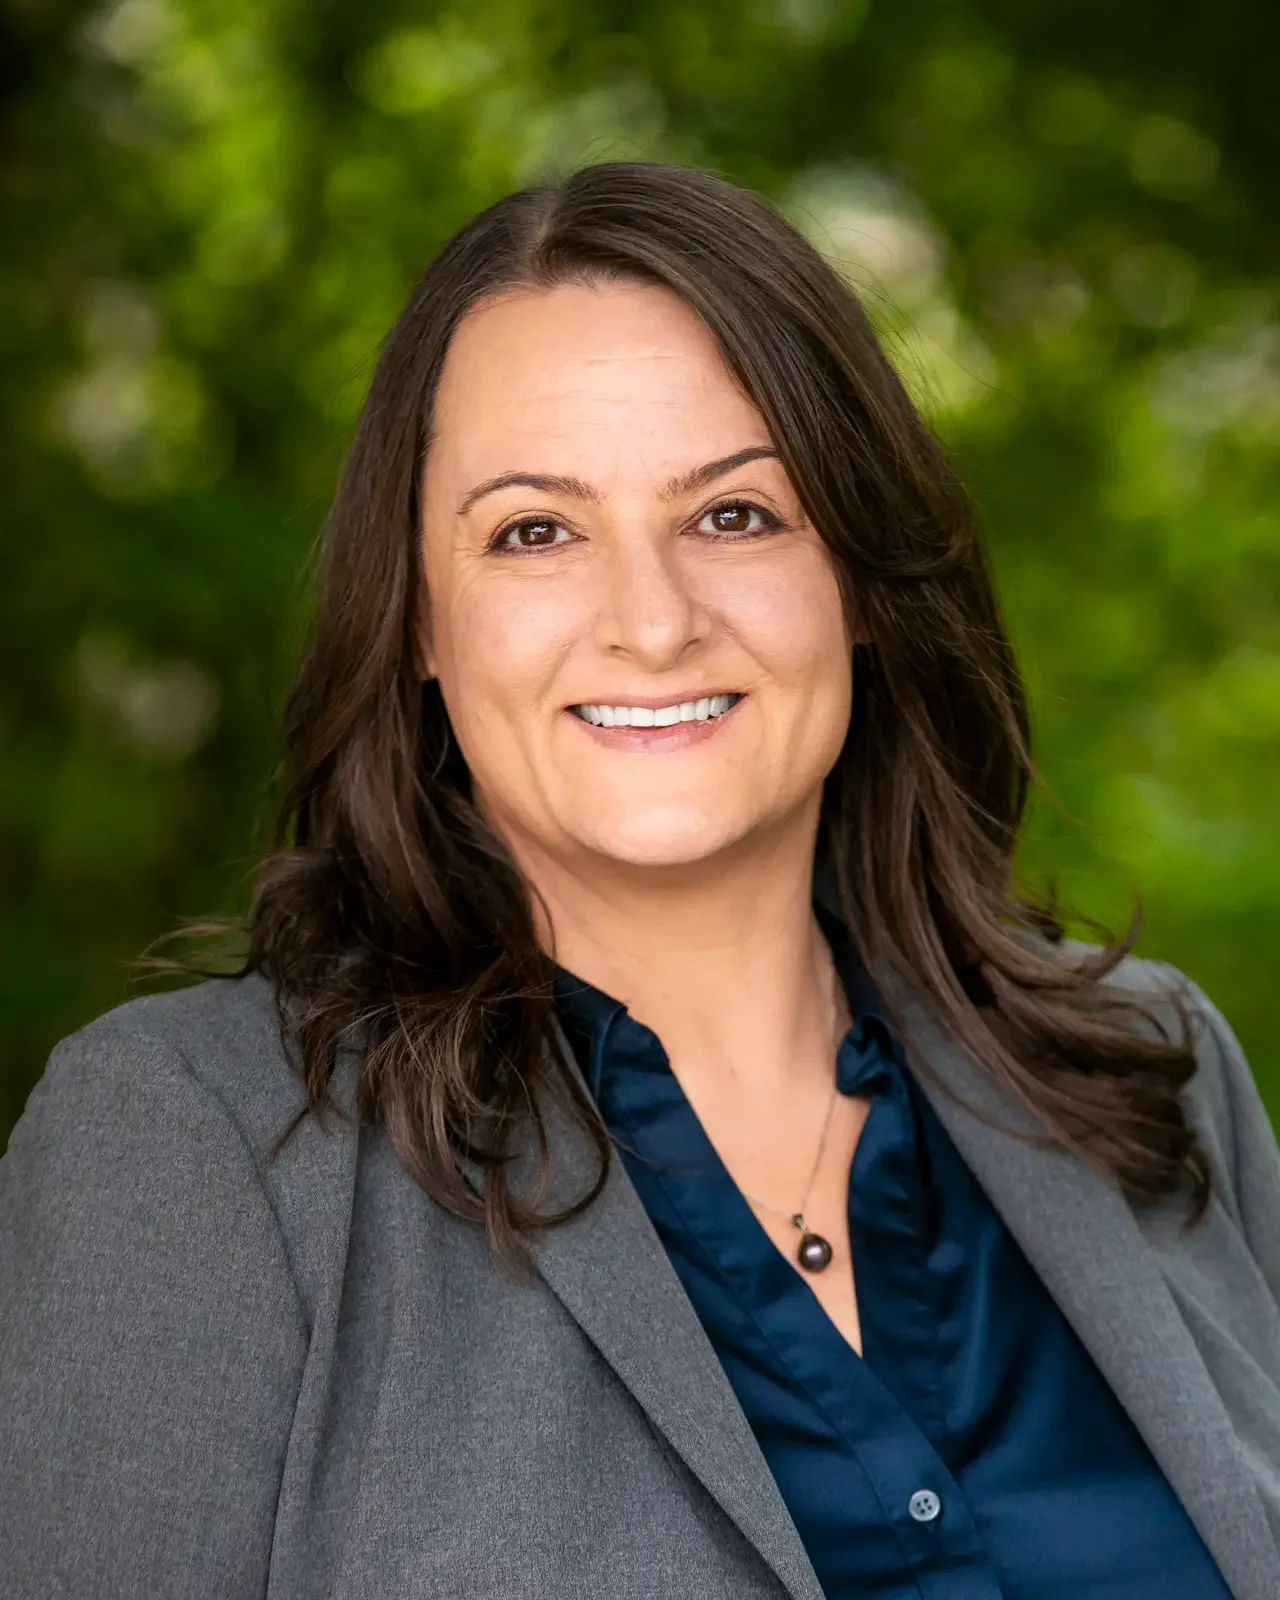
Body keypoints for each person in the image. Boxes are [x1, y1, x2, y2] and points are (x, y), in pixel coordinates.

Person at [2, 160, 1278, 1600]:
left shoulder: (1153, 1079)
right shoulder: (202, 1149)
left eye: (735, 515)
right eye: (535, 533)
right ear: (419, 622)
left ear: (857, 577)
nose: (654, 622)